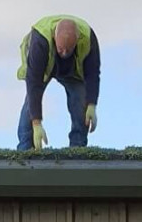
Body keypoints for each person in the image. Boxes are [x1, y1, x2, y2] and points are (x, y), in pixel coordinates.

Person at [16, 15, 100, 151]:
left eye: (69, 49)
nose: (65, 53)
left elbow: (92, 73)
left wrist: (91, 104)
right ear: (55, 38)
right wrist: (37, 123)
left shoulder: (89, 39)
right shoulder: (40, 41)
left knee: (81, 101)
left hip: (72, 69)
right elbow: (34, 84)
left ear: (77, 40)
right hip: (44, 66)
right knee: (31, 103)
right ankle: (25, 148)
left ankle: (77, 148)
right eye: (61, 49)